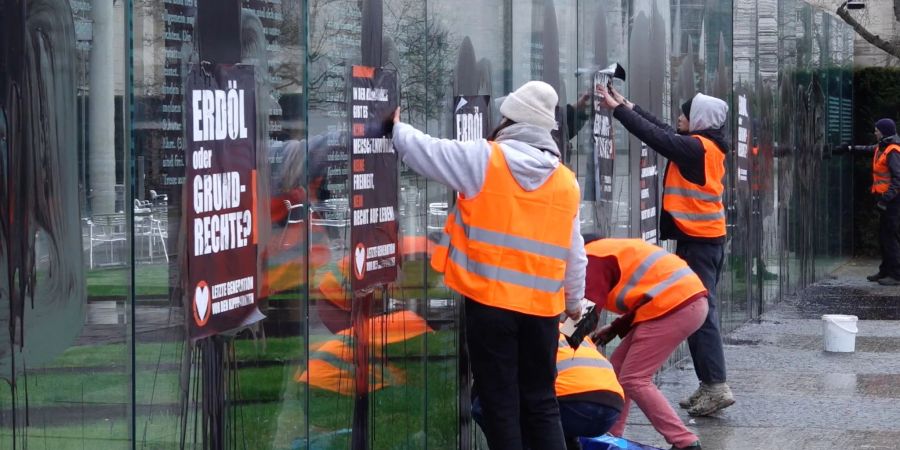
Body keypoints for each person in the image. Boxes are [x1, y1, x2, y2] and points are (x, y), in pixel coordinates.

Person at [391, 80, 587, 450]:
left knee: (501, 404)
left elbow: (429, 152)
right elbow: (574, 253)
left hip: (490, 307)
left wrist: (395, 128)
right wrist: (574, 301)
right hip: (542, 314)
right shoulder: (566, 182)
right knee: (541, 402)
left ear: (509, 119)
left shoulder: (486, 159)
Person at [596, 85, 734, 417]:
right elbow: (663, 130)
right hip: (704, 240)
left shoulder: (697, 149)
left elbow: (656, 137)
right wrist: (630, 104)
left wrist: (618, 112)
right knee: (700, 310)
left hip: (700, 243)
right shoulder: (703, 146)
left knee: (700, 313)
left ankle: (716, 386)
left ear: (698, 120)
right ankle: (709, 383)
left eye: (684, 114)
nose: (679, 118)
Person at [583, 237, 707, 450]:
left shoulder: (591, 256)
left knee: (634, 378)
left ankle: (685, 442)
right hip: (680, 303)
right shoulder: (609, 250)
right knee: (617, 369)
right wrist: (615, 328)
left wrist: (563, 341)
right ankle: (610, 435)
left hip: (675, 306)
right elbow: (648, 294)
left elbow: (586, 312)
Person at [472, 328, 623, 450]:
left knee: (483, 407)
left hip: (571, 403)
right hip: (612, 409)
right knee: (559, 423)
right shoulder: (564, 329)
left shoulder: (522, 332)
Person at [842, 118, 900, 285]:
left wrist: (886, 200)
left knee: (890, 237)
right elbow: (868, 149)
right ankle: (885, 271)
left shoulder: (893, 150)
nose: (875, 132)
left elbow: (898, 179)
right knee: (884, 236)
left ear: (884, 132)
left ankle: (896, 275)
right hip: (885, 200)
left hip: (892, 201)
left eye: (877, 130)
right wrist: (849, 149)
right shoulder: (882, 147)